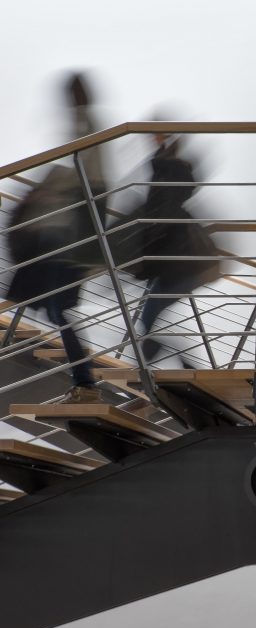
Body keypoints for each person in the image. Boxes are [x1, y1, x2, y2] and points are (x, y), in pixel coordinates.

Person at [5, 73, 108, 403]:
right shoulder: (86, 124)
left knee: (55, 308)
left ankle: (86, 381)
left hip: (69, 239)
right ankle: (84, 378)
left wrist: (47, 188)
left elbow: (87, 174)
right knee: (51, 307)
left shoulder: (87, 125)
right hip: (68, 238)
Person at [112, 132, 220, 363]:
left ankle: (166, 367)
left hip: (182, 266)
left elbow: (161, 217)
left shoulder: (168, 184)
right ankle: (166, 366)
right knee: (148, 319)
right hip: (177, 265)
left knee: (149, 318)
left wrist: (164, 150)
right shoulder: (167, 184)